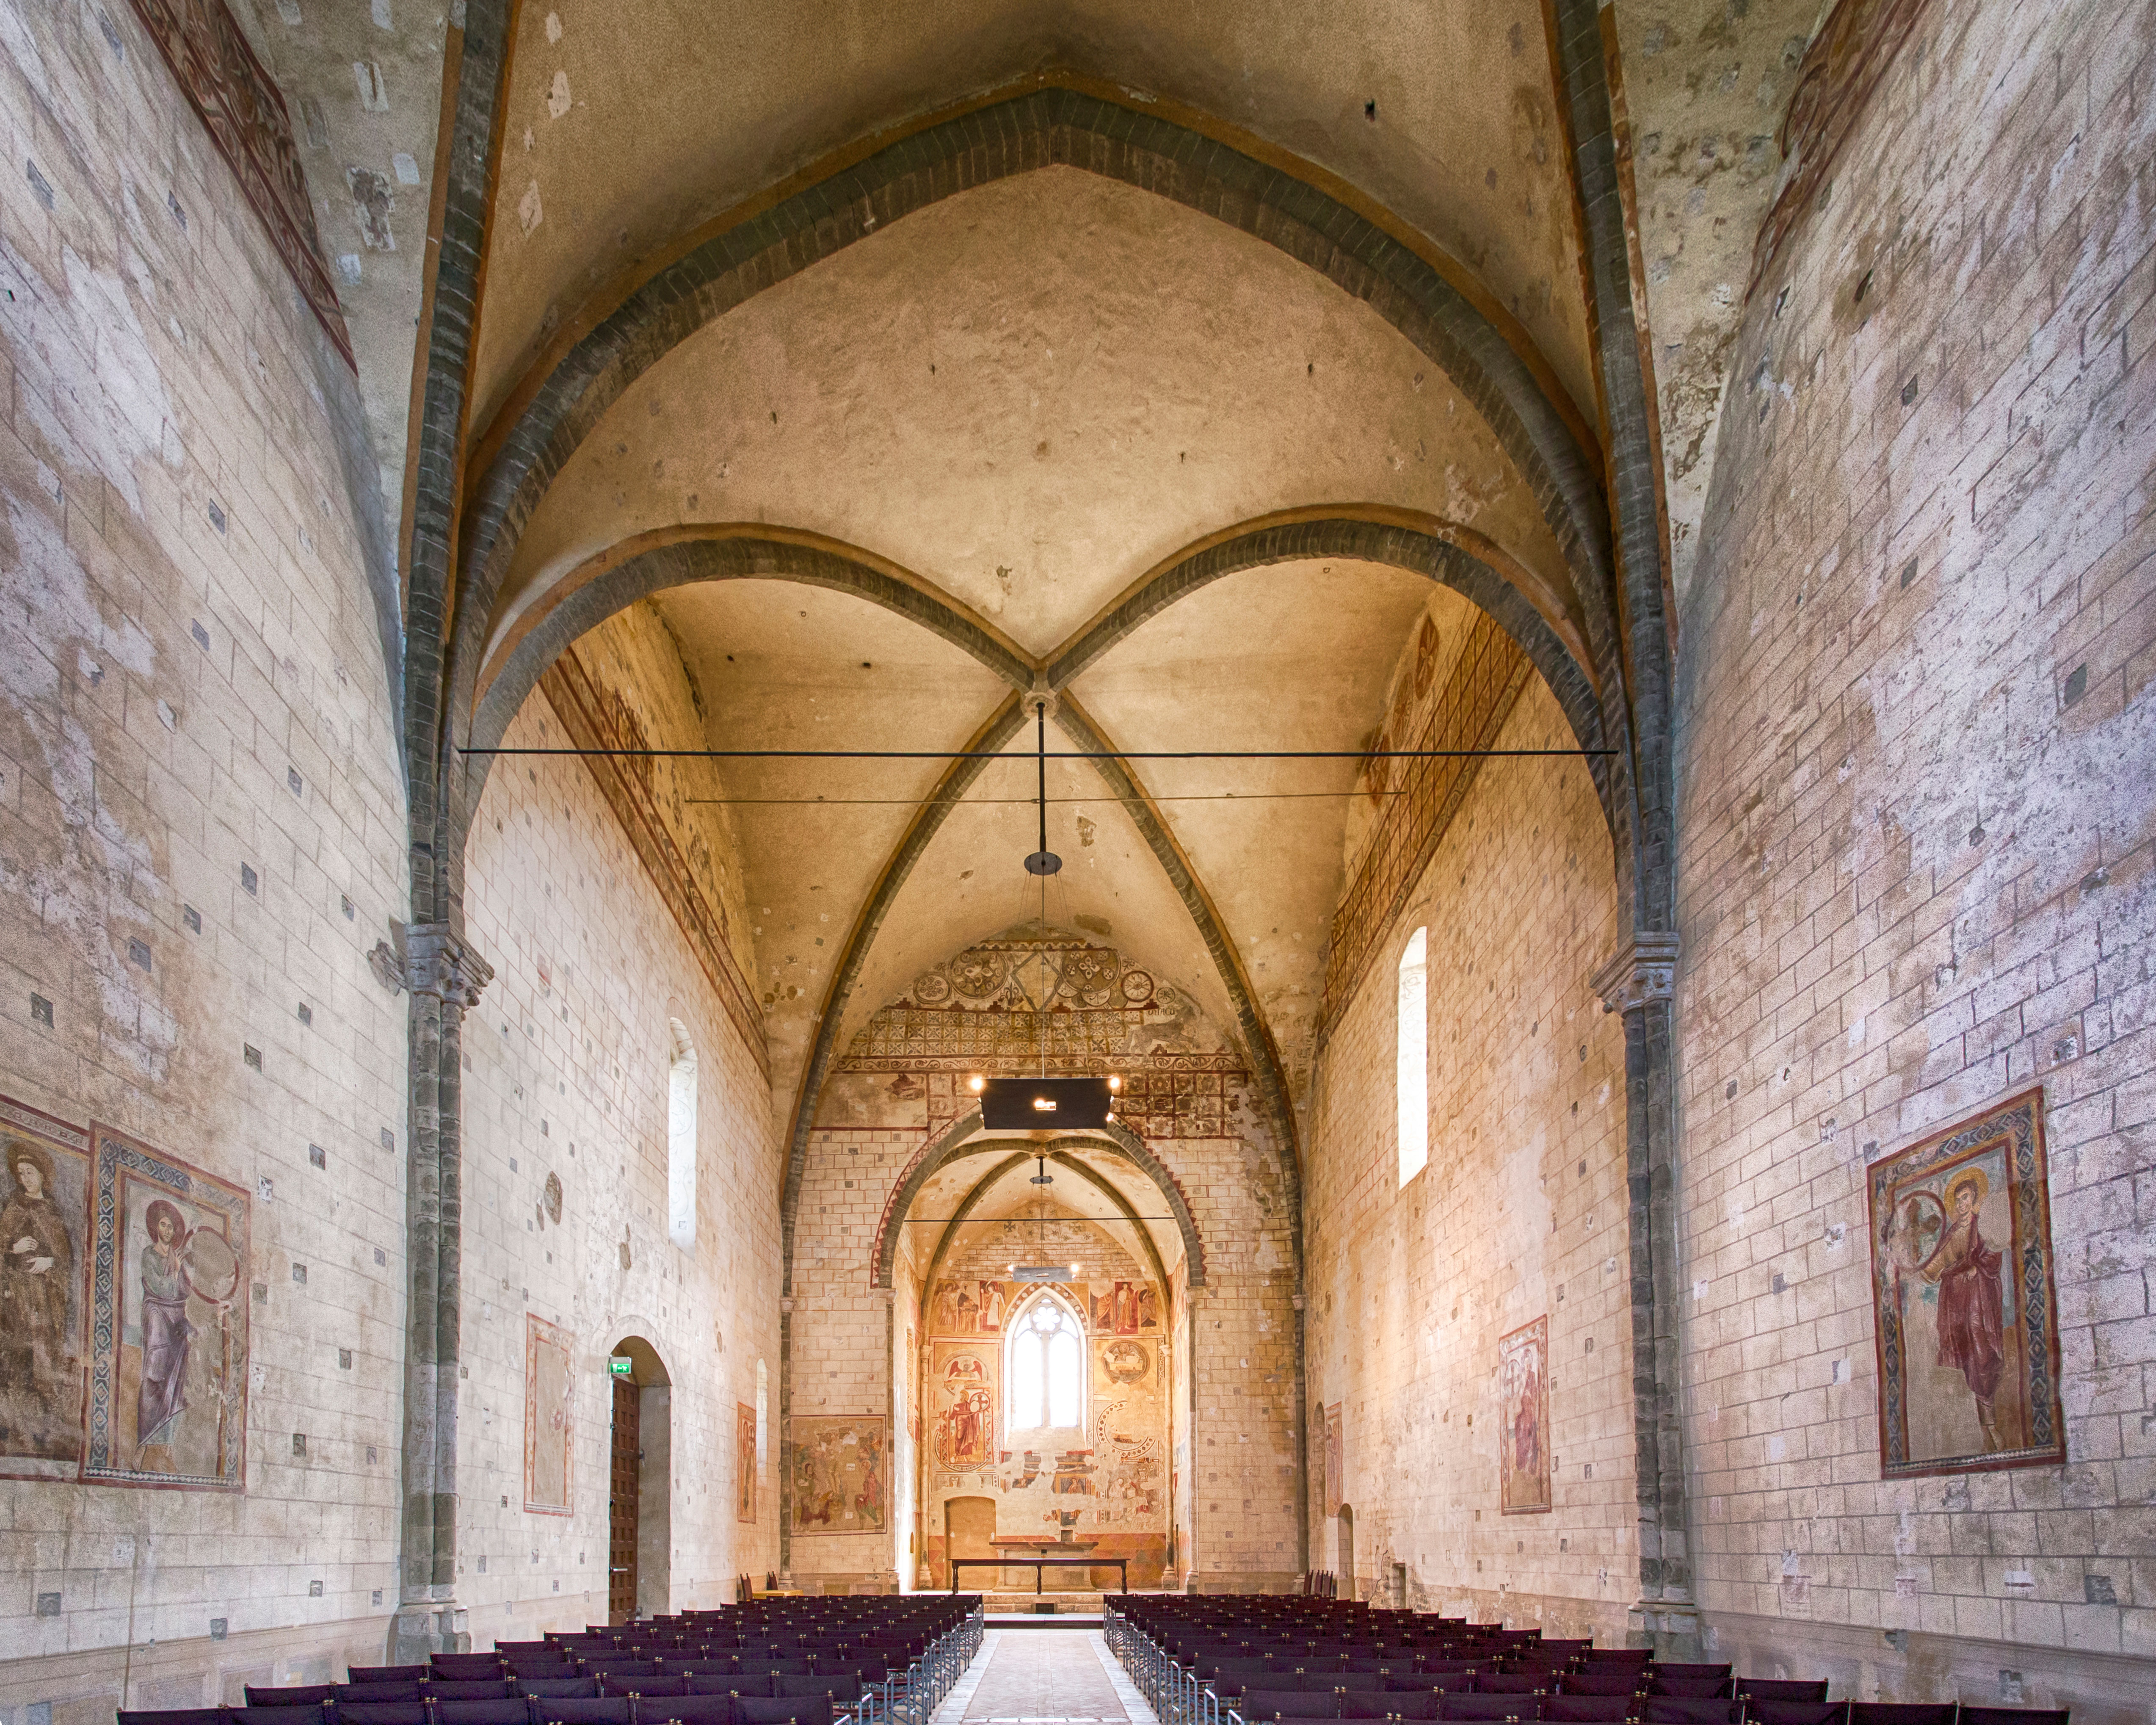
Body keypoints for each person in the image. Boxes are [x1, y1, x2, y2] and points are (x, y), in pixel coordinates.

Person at [1921, 1168, 2007, 1451]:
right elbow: (1934, 1267)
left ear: (1975, 1199)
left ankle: (1990, 1418)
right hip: (1955, 1303)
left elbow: (1993, 1254)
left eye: (1966, 1198)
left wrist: (1974, 1266)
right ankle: (1982, 1422)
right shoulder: (1951, 1233)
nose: (1961, 1204)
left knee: (1981, 1348)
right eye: (1957, 1200)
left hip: (1979, 1300)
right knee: (1967, 1354)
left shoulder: (1980, 1227)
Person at [1, 1140, 73, 1443]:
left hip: (45, 1299)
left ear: (43, 1175)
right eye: (21, 1173)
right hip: (16, 1295)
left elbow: (66, 1259)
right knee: (16, 1355)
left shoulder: (53, 1212)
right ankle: (10, 1420)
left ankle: (43, 1424)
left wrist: (50, 1261)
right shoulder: (13, 1207)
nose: (25, 1179)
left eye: (30, 1172)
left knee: (44, 1356)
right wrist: (11, 1248)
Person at [136, 1199, 193, 1470]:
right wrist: (176, 1273)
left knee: (179, 1377)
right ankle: (143, 1443)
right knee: (154, 1375)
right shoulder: (149, 1255)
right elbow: (160, 1288)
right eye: (164, 1225)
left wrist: (181, 1272)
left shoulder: (176, 1259)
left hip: (176, 1315)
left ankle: (170, 1444)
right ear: (156, 1227)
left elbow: (184, 1293)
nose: (168, 1230)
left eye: (171, 1227)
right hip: (157, 1313)